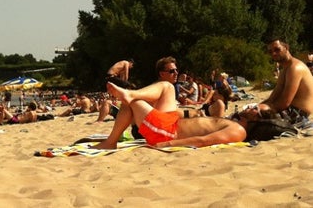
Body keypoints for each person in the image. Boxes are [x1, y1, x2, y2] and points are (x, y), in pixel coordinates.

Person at [92, 57, 246, 149]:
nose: (250, 108)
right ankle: (130, 95)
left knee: (131, 101)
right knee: (167, 87)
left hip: (167, 132)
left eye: (255, 110)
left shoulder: (238, 130)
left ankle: (110, 141)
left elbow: (202, 141)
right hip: (168, 122)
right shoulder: (233, 124)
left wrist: (168, 145)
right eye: (172, 71)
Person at [260, 38, 313, 124]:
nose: (274, 53)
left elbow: (284, 102)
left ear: (286, 48)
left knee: (252, 122)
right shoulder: (284, 70)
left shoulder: (295, 68)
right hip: (289, 110)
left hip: (298, 113)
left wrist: (263, 108)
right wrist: (256, 107)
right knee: (248, 115)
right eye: (270, 52)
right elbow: (274, 96)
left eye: (277, 49)